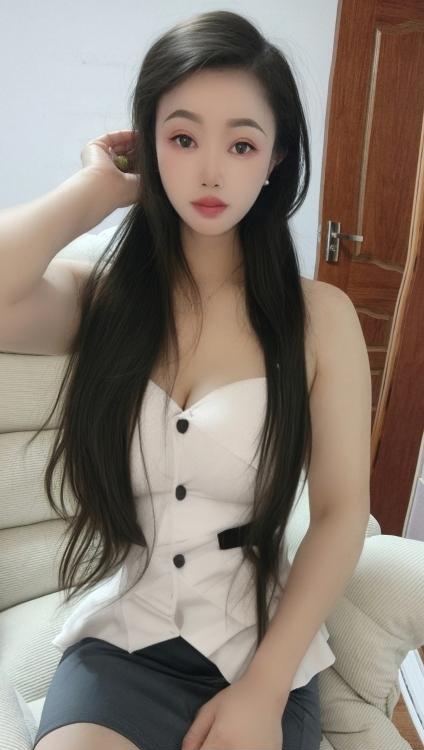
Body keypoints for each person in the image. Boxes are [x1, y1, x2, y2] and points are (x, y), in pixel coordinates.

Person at [0, 9, 364, 750]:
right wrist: (97, 189)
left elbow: (339, 512)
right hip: (122, 646)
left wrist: (266, 688)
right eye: (183, 138)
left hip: (258, 653)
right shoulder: (104, 299)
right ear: (150, 144)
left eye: (241, 144)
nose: (210, 172)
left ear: (275, 158)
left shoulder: (320, 318)